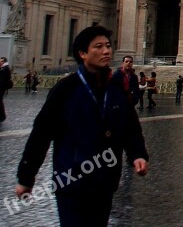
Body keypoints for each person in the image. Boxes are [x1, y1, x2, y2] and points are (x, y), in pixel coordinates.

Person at [15, 26, 148, 226]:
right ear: (83, 53)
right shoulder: (65, 89)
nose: (107, 51)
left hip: (105, 180)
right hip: (71, 180)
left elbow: (130, 126)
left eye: (108, 46)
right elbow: (41, 134)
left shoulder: (115, 89)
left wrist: (137, 153)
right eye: (99, 46)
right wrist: (26, 177)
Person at [0, 56, 11, 122]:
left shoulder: (5, 68)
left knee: (0, 101)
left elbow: (3, 79)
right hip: (2, 87)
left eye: (1, 61)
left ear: (4, 62)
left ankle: (2, 116)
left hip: (1, 87)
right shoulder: (4, 68)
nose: (0, 62)